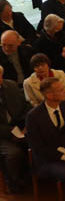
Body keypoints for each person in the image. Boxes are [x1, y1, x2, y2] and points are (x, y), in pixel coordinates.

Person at [0, 64, 29, 192]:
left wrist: (26, 126)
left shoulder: (11, 85)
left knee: (39, 140)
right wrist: (13, 133)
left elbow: (25, 107)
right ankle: (13, 183)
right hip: (2, 135)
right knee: (14, 153)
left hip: (19, 128)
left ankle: (37, 177)